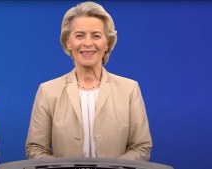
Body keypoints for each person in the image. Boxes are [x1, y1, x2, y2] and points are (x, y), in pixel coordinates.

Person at [25, 1, 152, 161]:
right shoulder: (47, 91)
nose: (87, 43)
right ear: (68, 42)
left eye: (96, 36)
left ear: (107, 43)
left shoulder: (129, 89)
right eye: (79, 35)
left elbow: (141, 147)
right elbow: (35, 148)